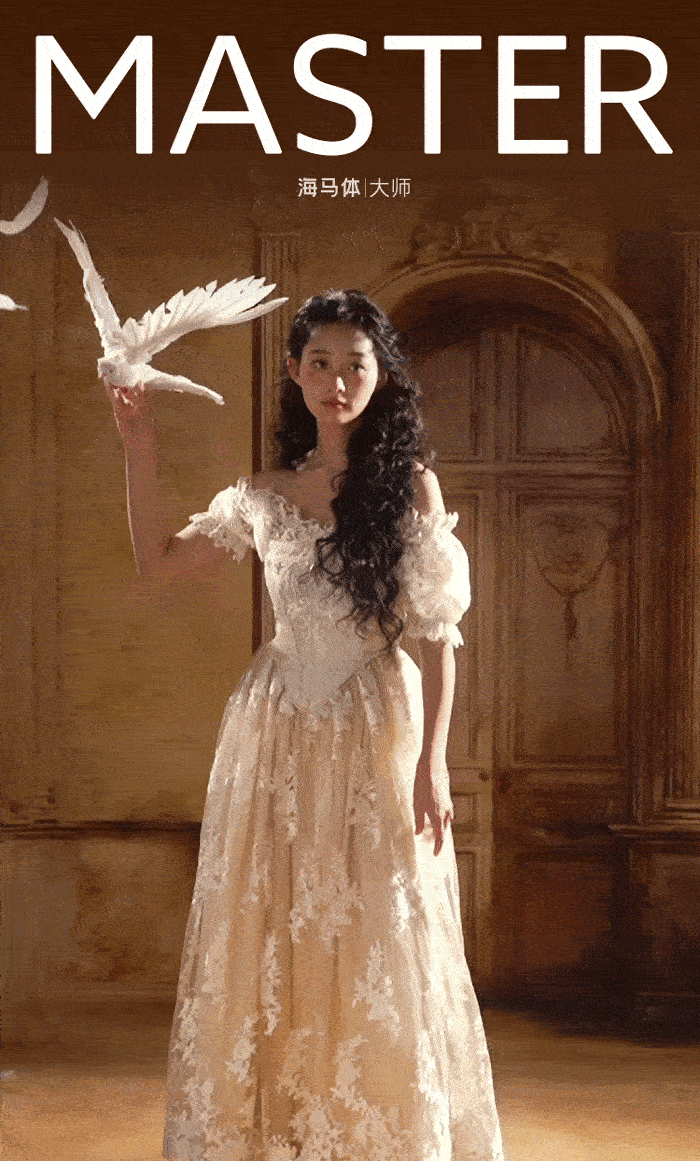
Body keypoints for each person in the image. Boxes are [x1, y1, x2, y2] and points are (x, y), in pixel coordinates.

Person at [106, 289, 505, 1161]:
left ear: (380, 375)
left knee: (378, 923)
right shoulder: (263, 493)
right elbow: (156, 561)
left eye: (354, 364)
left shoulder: (409, 486)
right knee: (276, 921)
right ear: (294, 373)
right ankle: (285, 1132)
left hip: (378, 724)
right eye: (319, 363)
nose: (336, 381)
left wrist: (433, 764)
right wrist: (140, 444)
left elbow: (438, 635)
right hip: (277, 727)